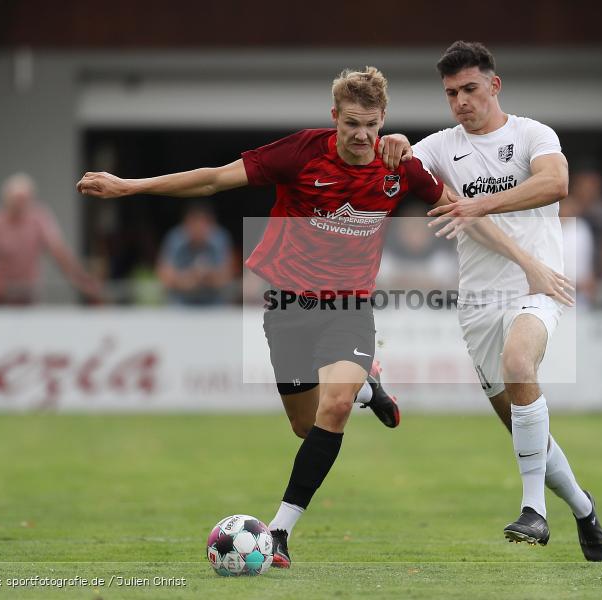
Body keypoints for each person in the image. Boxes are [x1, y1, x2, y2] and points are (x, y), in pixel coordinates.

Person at [77, 66, 568, 569]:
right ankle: (366, 387)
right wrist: (129, 186)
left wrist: (528, 263)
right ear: (335, 117)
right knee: (305, 426)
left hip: (349, 306)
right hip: (288, 306)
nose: (362, 135)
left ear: (383, 121)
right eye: (352, 122)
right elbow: (215, 180)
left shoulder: (399, 166)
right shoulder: (300, 152)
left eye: (372, 124)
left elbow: (464, 212)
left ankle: (280, 533)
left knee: (332, 410)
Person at [385, 41, 602, 560]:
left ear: (494, 85)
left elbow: (555, 182)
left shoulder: (533, 134)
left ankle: (534, 511)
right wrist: (395, 142)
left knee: (518, 363)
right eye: (450, 94)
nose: (461, 101)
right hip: (479, 302)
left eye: (469, 88)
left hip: (539, 286)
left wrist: (479, 205)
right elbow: (399, 165)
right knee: (522, 426)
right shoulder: (442, 147)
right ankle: (583, 508)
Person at [0, 173, 102, 304]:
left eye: (24, 199)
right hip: (0, 296)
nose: (20, 204)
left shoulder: (38, 221)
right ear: (6, 199)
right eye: (16, 199)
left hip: (28, 294)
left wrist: (82, 281)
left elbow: (59, 254)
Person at [158, 203, 233, 305]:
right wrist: (188, 278)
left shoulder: (220, 239)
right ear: (186, 223)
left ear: (211, 224)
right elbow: (164, 277)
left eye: (203, 224)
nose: (198, 229)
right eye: (194, 223)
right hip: (181, 304)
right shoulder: (175, 238)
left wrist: (208, 276)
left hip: (213, 304)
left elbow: (228, 276)